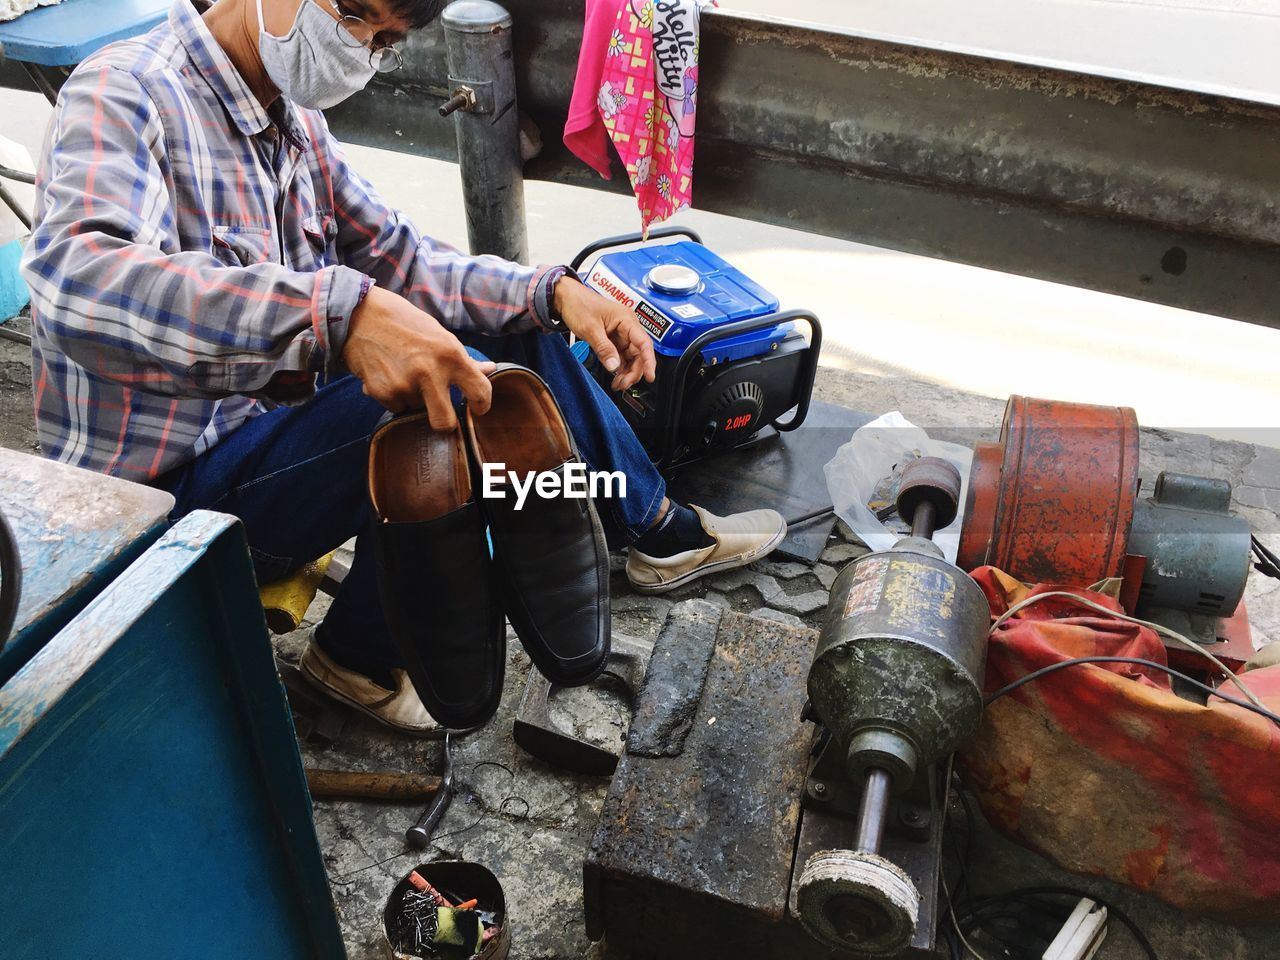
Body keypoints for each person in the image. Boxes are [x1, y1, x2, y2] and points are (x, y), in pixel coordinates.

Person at [21, 0, 787, 736]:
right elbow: (81, 282)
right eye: (351, 13)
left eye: (384, 40)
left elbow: (405, 261)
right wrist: (335, 311)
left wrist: (552, 291)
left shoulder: (294, 122)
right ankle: (363, 657)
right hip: (158, 508)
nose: (359, 48)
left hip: (266, 448)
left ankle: (652, 528)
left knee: (512, 325)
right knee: (444, 394)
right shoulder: (126, 91)